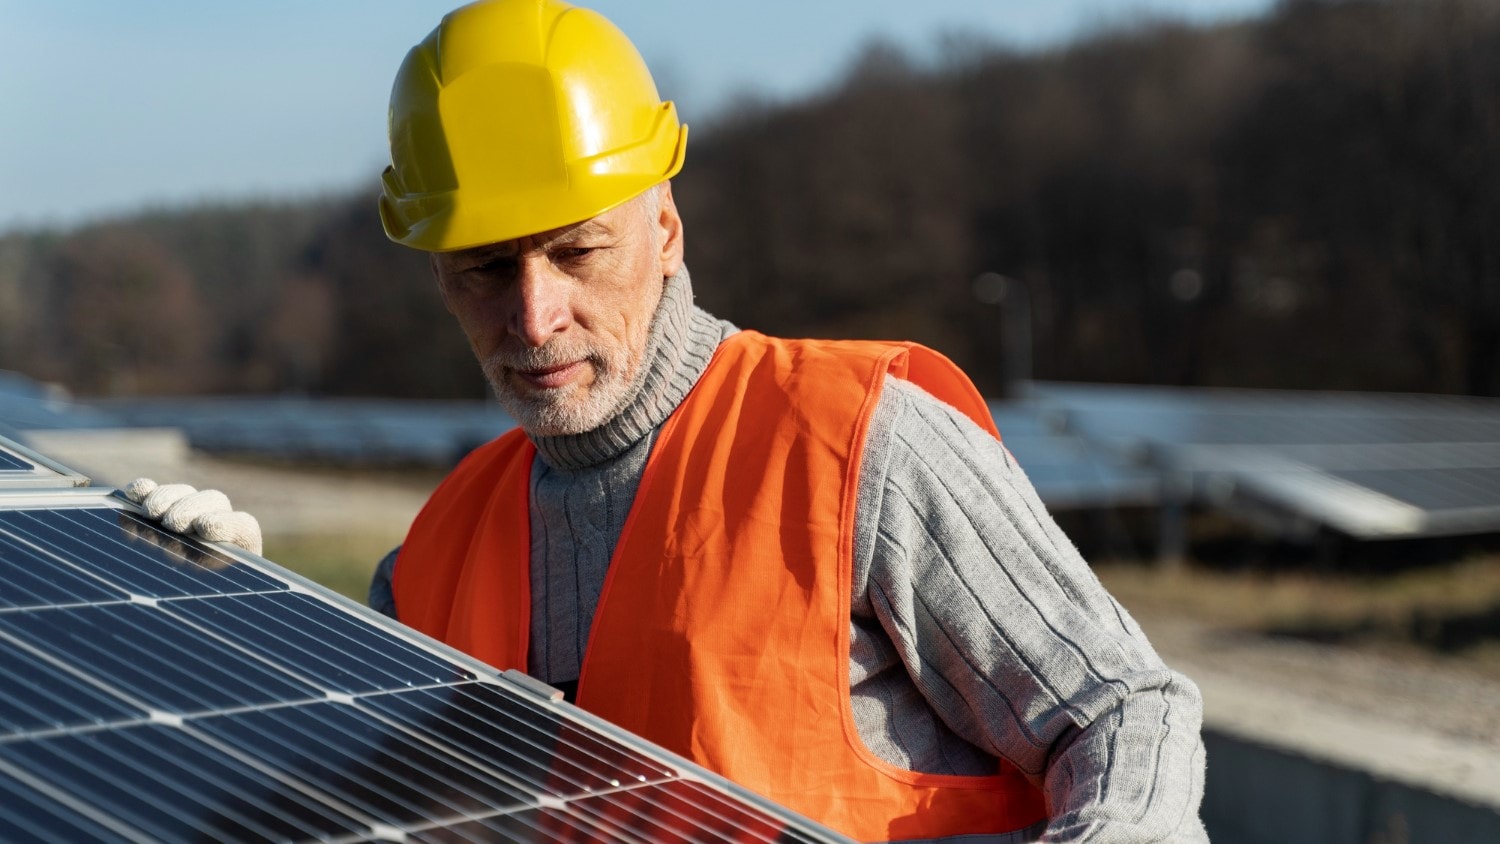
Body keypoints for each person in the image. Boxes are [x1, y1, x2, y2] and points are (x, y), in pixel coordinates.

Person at [138, 1, 1208, 840]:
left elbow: (1122, 713)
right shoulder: (433, 556)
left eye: (575, 251)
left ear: (665, 228)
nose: (533, 314)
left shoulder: (859, 440)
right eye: (482, 271)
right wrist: (231, 629)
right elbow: (354, 808)